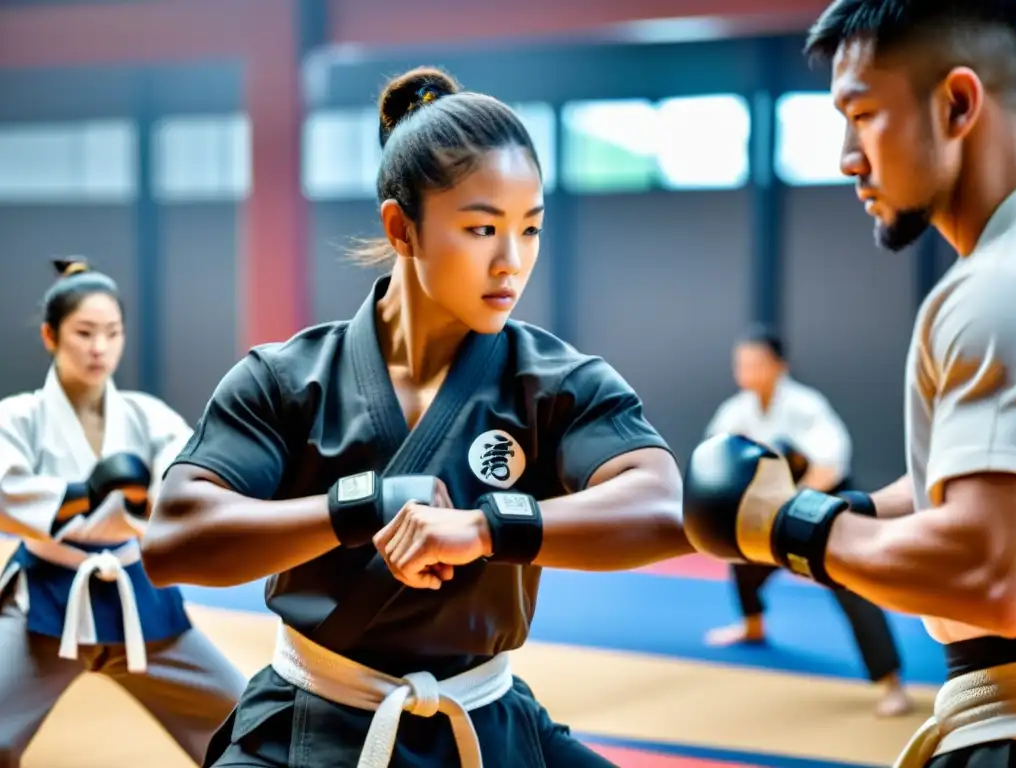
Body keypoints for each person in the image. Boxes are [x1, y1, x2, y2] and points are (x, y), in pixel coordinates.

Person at [143, 67, 684, 768]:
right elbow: (174, 538)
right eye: (482, 228)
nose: (511, 262)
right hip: (309, 726)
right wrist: (356, 508)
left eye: (530, 228)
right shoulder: (287, 379)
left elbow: (664, 505)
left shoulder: (554, 383)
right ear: (402, 228)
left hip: (486, 726)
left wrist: (486, 527)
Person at [680, 1, 1016, 766]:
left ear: (958, 104)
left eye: (862, 115)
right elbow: (990, 481)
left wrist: (789, 523)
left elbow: (990, 574)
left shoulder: (994, 288)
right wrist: (855, 510)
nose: (846, 157)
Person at [0, 259, 247, 767]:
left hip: (138, 596)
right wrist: (84, 490)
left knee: (243, 722)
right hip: (45, 599)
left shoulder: (146, 415)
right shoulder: (18, 417)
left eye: (112, 333)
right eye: (84, 333)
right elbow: (7, 491)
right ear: (51, 336)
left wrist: (145, 499)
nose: (99, 348)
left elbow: (186, 481)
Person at [702, 325, 911, 717]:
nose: (747, 370)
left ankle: (891, 682)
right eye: (741, 363)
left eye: (756, 362)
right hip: (772, 505)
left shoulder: (805, 405)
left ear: (779, 365)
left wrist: (794, 505)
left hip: (822, 500)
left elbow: (829, 464)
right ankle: (753, 625)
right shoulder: (737, 410)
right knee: (740, 559)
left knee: (849, 581)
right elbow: (716, 457)